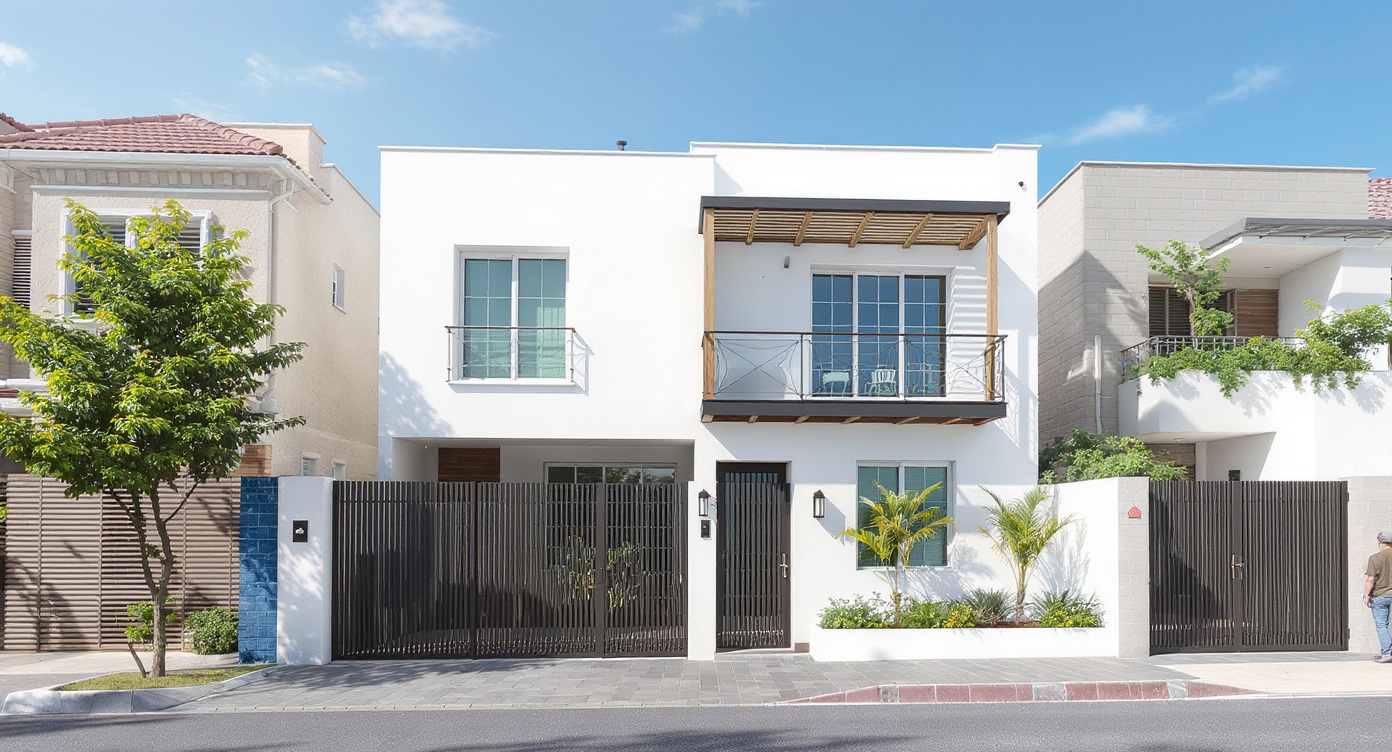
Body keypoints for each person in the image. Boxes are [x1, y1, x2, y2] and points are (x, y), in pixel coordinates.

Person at [1365, 532, 1392, 662]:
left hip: (1380, 595)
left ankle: (1387, 652)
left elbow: (1370, 579)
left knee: (1381, 625)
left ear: (1380, 542)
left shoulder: (1375, 558)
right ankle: (1388, 652)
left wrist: (1366, 595)